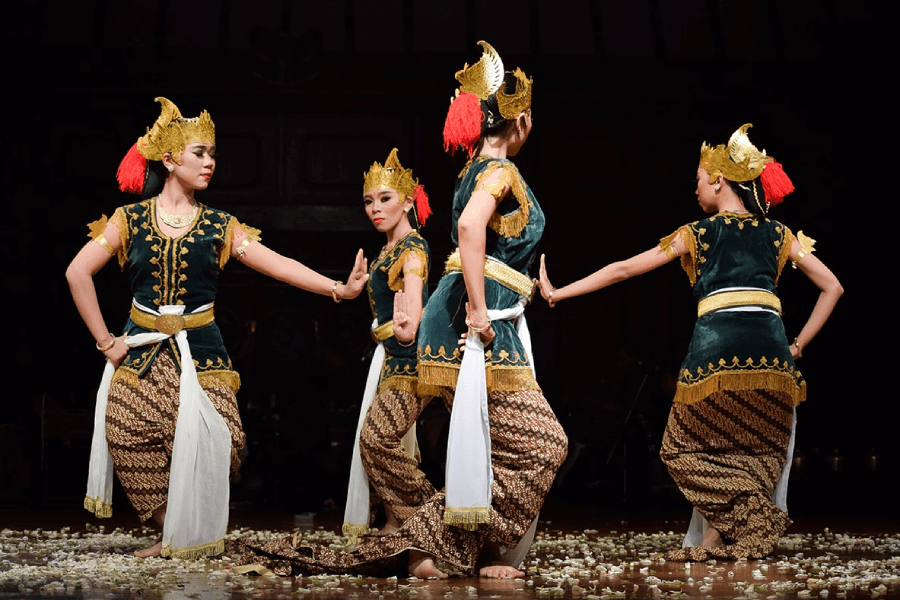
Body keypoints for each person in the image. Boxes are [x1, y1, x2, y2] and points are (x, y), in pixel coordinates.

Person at [232, 42, 567, 580]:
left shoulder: (471, 171)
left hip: (458, 322)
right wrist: (480, 312)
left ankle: (441, 545)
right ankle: (450, 544)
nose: (373, 210)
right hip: (475, 325)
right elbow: (466, 230)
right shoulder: (498, 173)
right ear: (521, 120)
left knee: (432, 440)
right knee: (545, 444)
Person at [67, 97, 369, 559]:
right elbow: (76, 272)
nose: (210, 162)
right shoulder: (128, 221)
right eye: (199, 154)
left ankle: (188, 534)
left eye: (212, 153)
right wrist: (106, 341)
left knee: (222, 443)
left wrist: (337, 290)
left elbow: (279, 266)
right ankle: (175, 534)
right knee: (125, 429)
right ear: (169, 160)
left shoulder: (218, 225)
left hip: (202, 348)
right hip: (142, 347)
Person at [538, 124, 842, 560]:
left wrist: (559, 292)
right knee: (752, 449)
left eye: (699, 180)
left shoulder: (698, 234)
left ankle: (754, 521)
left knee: (682, 449)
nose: (695, 189)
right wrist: (797, 347)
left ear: (718, 180)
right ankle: (718, 538)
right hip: (775, 364)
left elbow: (625, 269)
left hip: (715, 361)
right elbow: (832, 286)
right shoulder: (779, 235)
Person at [343, 148, 433, 541]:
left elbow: (412, 311)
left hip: (408, 360)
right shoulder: (386, 251)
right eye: (368, 201)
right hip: (391, 358)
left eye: (385, 199)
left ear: (408, 202)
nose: (375, 208)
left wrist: (406, 328)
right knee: (383, 441)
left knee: (377, 439)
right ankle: (398, 522)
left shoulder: (411, 249)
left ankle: (431, 519)